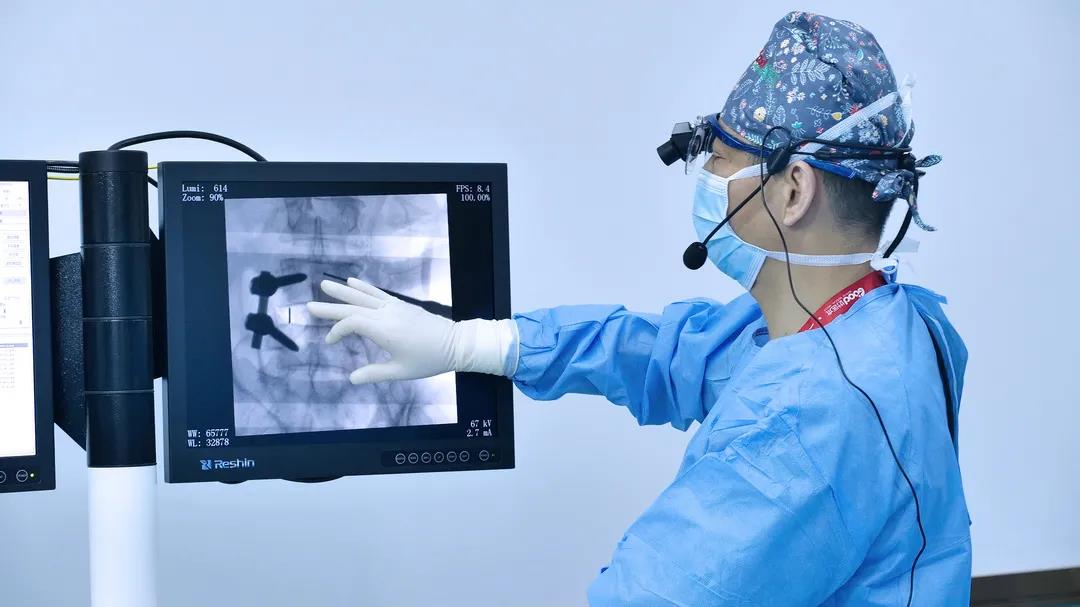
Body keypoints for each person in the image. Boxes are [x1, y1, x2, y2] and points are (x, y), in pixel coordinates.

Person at [308, 11, 971, 606]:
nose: (707, 179)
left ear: (793, 189)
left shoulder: (807, 420)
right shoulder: (884, 324)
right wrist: (471, 343)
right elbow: (666, 352)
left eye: (720, 159)